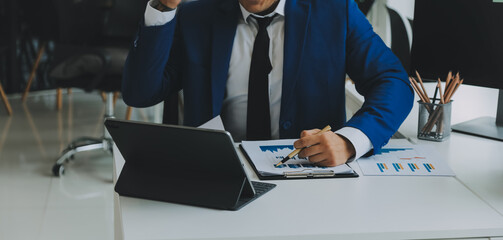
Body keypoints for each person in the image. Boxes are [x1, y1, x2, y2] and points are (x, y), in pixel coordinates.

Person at [122, 0, 413, 167]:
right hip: (218, 172)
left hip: (307, 170)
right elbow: (141, 92)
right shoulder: (197, 14)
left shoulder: (334, 9)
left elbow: (392, 81)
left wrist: (351, 140)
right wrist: (163, 6)